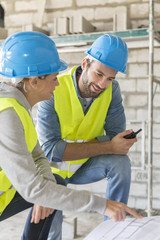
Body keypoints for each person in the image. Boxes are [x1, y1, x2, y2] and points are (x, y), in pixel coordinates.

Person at [0, 31, 141, 240]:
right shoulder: (9, 114)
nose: (56, 84)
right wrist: (103, 205)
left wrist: (46, 188)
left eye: (110, 78)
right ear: (34, 81)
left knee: (50, 189)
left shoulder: (20, 105)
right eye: (53, 78)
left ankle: (112, 233)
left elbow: (38, 156)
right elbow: (47, 157)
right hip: (29, 182)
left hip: (37, 180)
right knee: (48, 193)